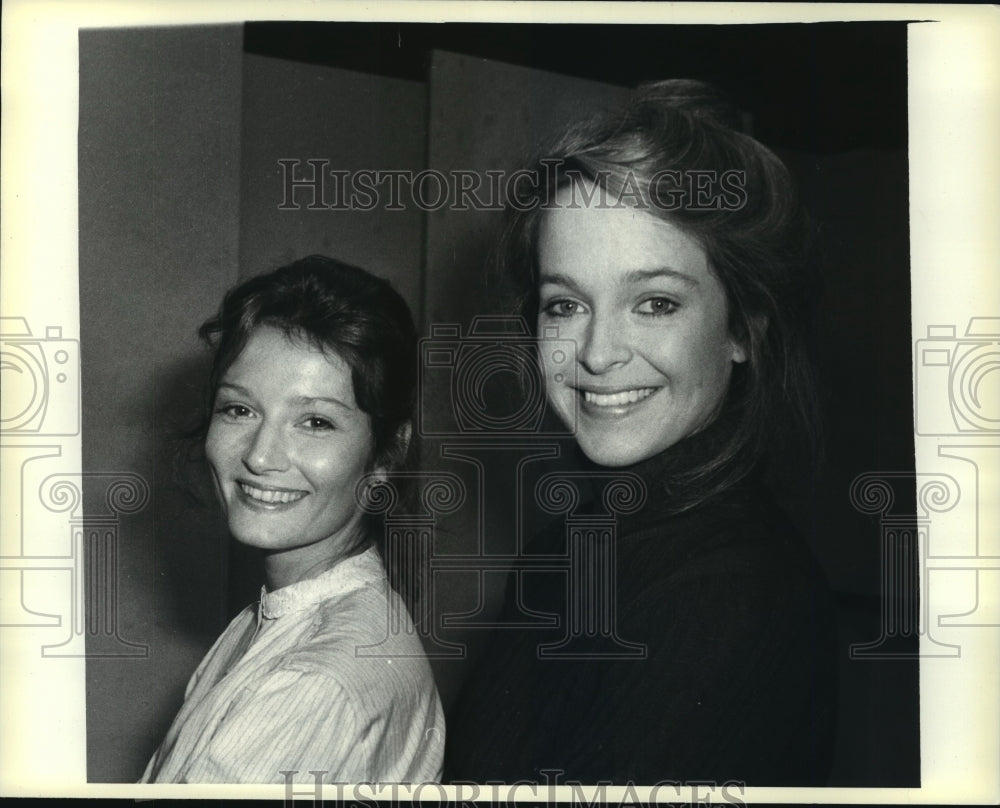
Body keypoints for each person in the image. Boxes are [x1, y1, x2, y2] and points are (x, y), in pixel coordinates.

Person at [445, 80, 838, 785]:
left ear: (742, 330)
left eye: (654, 303)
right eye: (564, 304)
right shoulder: (559, 550)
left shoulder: (730, 596)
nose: (596, 354)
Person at [142, 255, 444, 783]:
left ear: (385, 455)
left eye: (315, 422)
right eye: (240, 409)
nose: (261, 456)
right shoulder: (284, 620)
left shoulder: (311, 682)